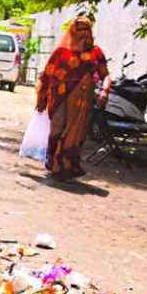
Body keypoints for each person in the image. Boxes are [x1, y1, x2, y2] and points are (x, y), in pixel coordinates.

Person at [36, 17, 111, 179]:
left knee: (76, 133)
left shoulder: (95, 52)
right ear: (72, 31)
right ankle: (54, 161)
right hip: (60, 97)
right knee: (57, 128)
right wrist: (41, 98)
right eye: (79, 29)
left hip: (83, 100)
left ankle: (66, 166)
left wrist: (105, 91)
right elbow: (47, 75)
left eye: (86, 29)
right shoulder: (61, 52)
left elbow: (105, 75)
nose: (83, 33)